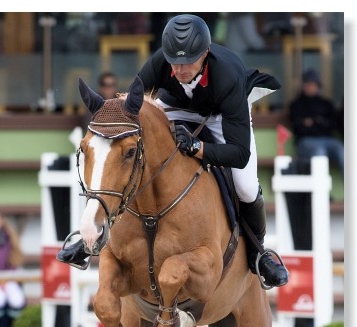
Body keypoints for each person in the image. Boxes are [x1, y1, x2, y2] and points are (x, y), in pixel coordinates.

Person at [59, 14, 288, 289]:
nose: (179, 69)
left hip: (219, 114)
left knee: (246, 186)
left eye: (188, 61)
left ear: (205, 53)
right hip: (174, 108)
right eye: (174, 61)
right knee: (130, 156)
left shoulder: (228, 76)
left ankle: (258, 254)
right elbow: (129, 105)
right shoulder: (161, 61)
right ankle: (90, 236)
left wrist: (198, 148)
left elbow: (239, 154)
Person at [288, 68, 344, 176]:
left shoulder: (326, 104)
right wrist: (320, 122)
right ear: (303, 85)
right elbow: (298, 128)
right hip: (306, 141)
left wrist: (312, 123)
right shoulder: (296, 105)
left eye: (314, 84)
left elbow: (332, 125)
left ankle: (351, 190)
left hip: (328, 140)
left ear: (318, 86)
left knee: (342, 150)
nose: (311, 86)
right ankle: (321, 191)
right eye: (308, 83)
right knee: (319, 152)